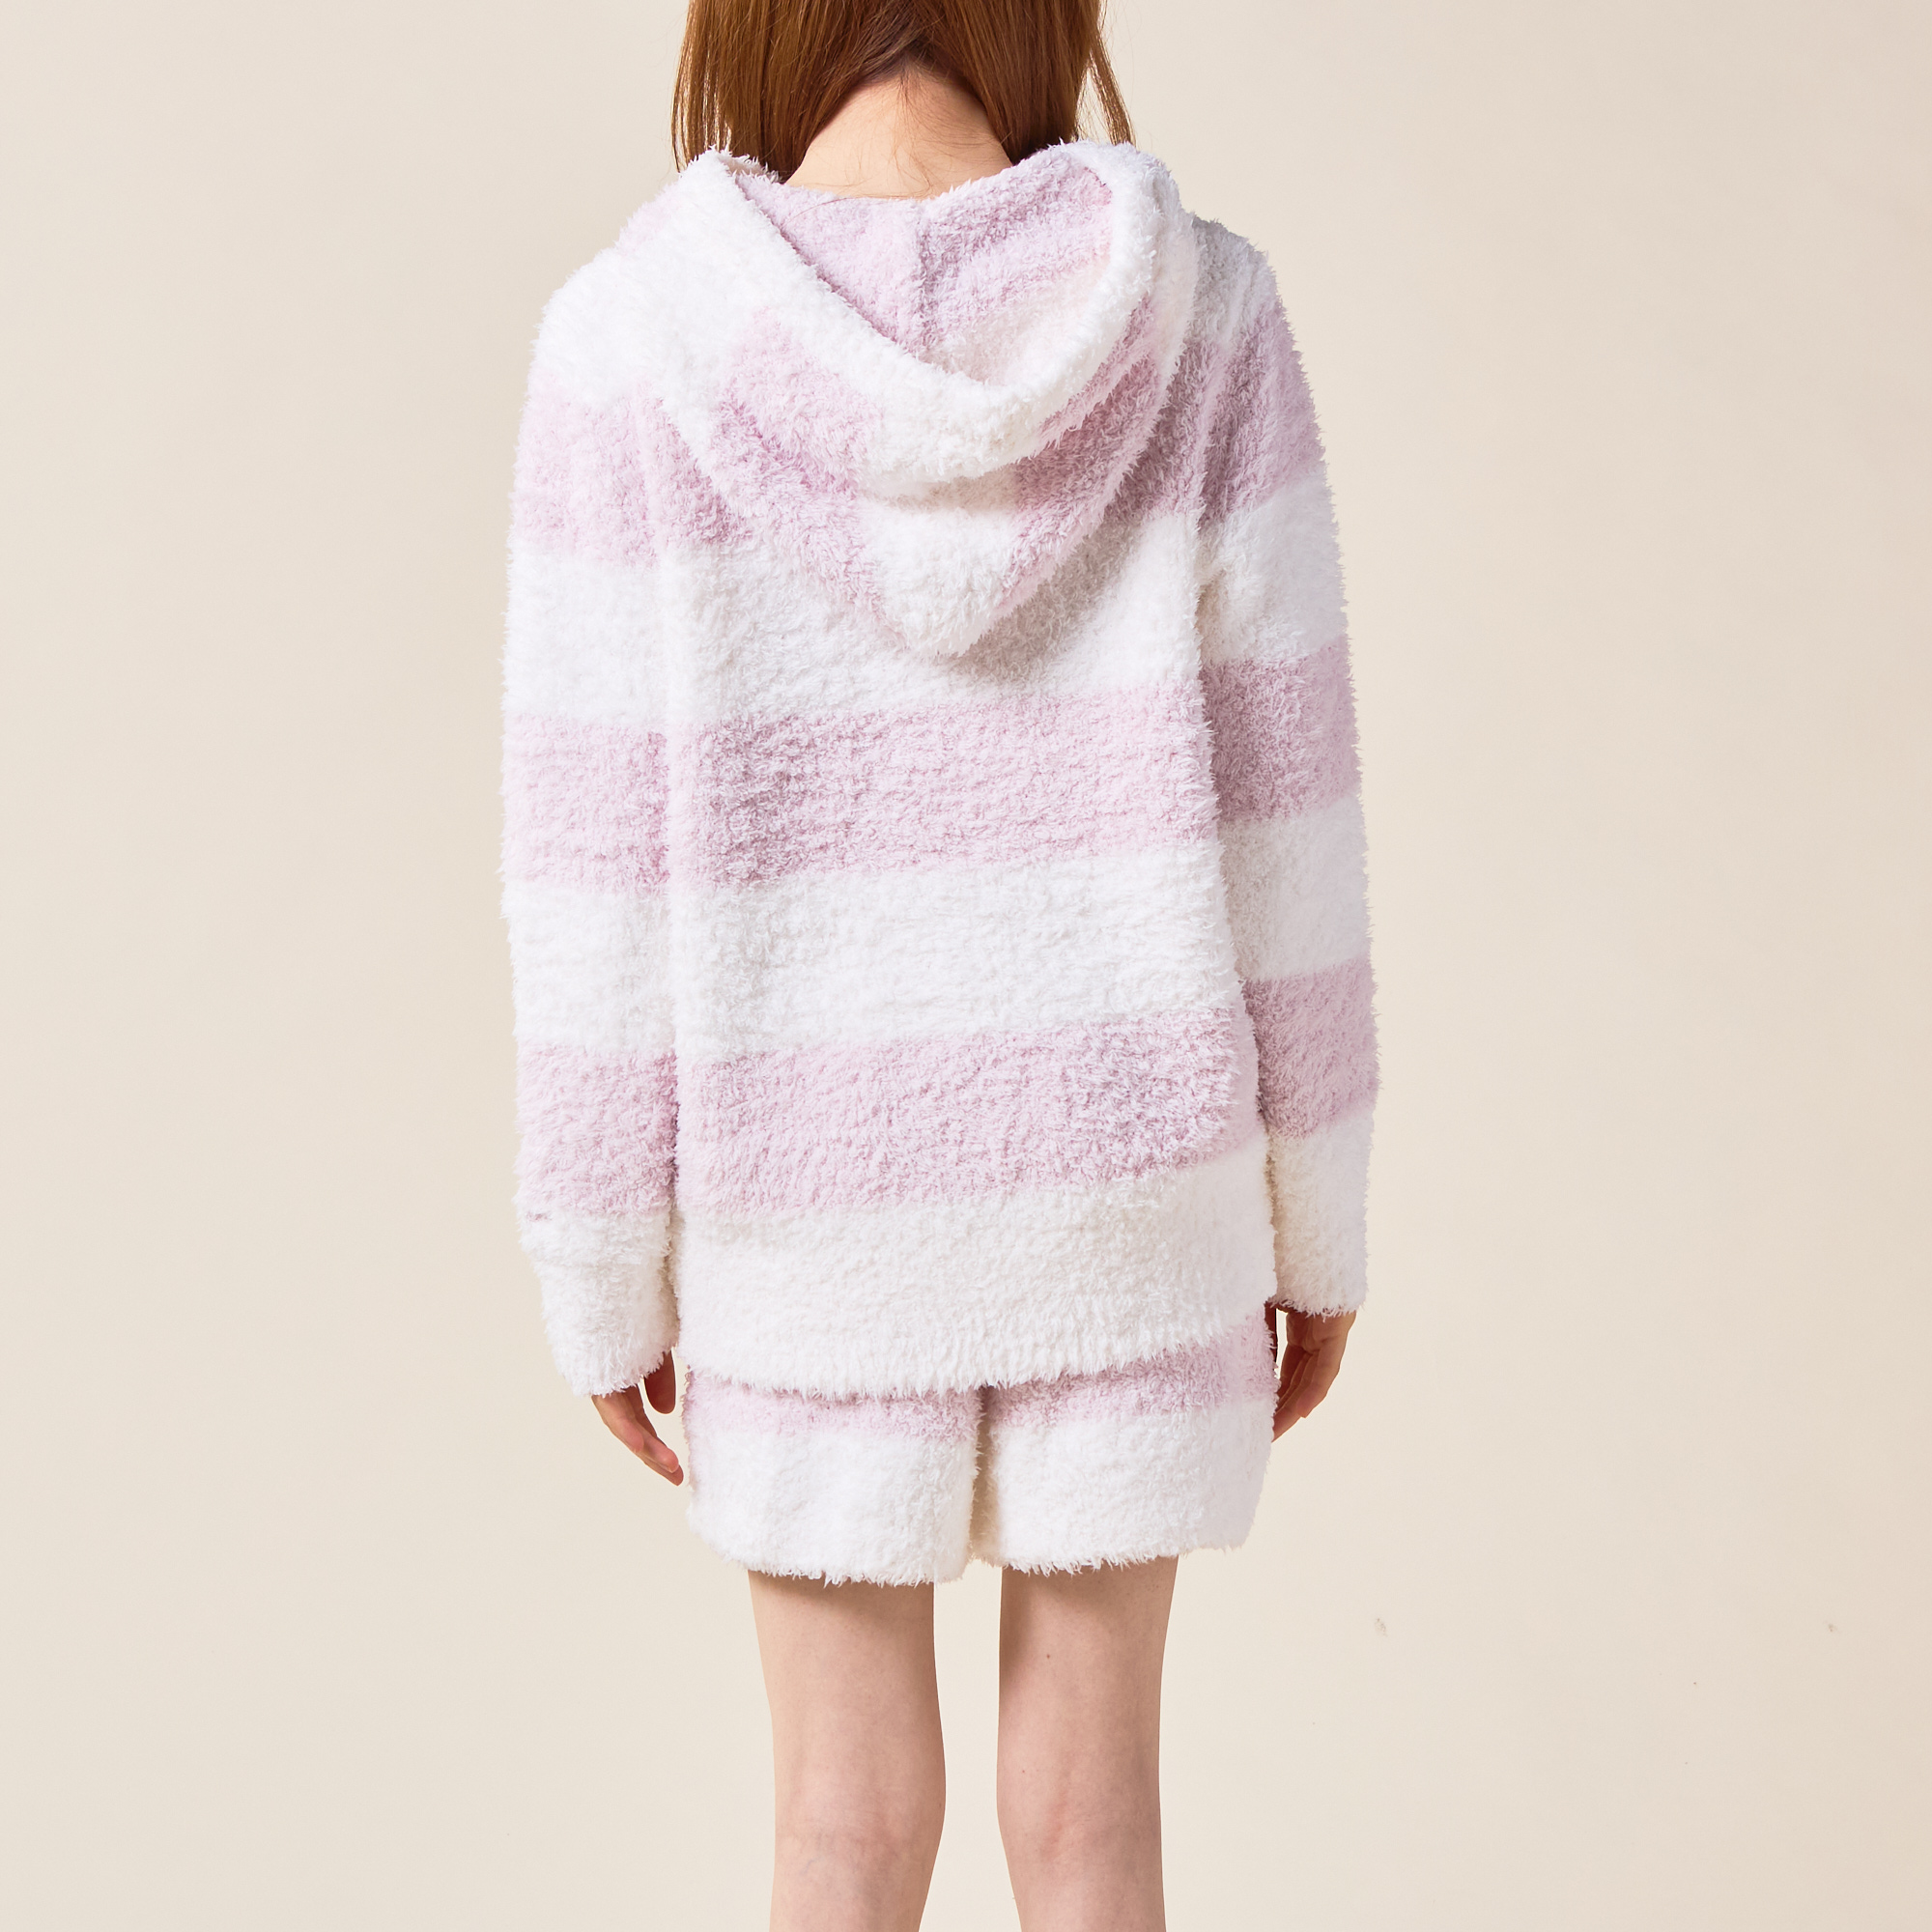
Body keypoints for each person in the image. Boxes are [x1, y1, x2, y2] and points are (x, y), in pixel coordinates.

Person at [501, 2, 1376, 1923]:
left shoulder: (632, 343)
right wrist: (1316, 1226)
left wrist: (599, 1264)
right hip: (1130, 1192)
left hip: (803, 1209)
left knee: (840, 1823)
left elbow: (590, 877)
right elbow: (1288, 818)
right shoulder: (1201, 319)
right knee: (1094, 1826)